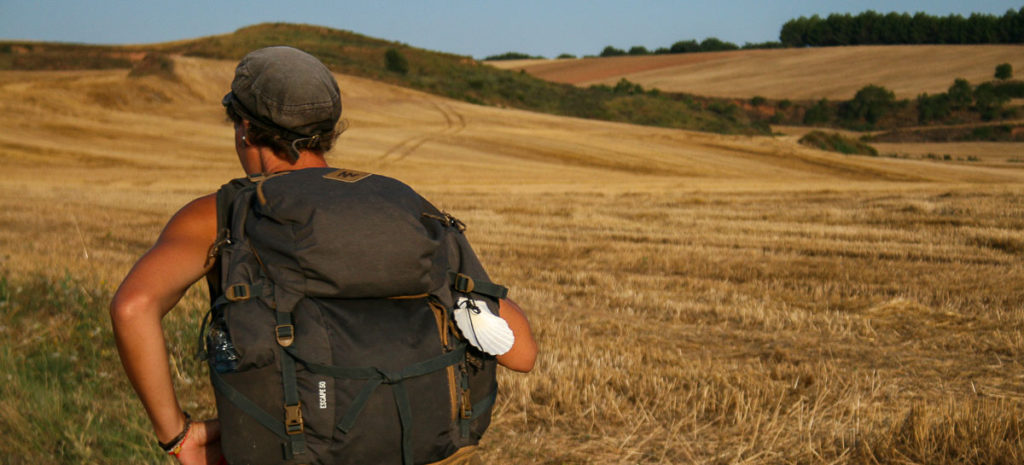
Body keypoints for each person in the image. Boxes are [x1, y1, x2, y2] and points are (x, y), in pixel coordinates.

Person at [110, 46, 537, 465]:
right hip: (425, 450)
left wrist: (178, 437)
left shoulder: (224, 212)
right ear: (329, 130)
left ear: (243, 128)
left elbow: (133, 308)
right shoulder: (403, 206)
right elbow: (521, 355)